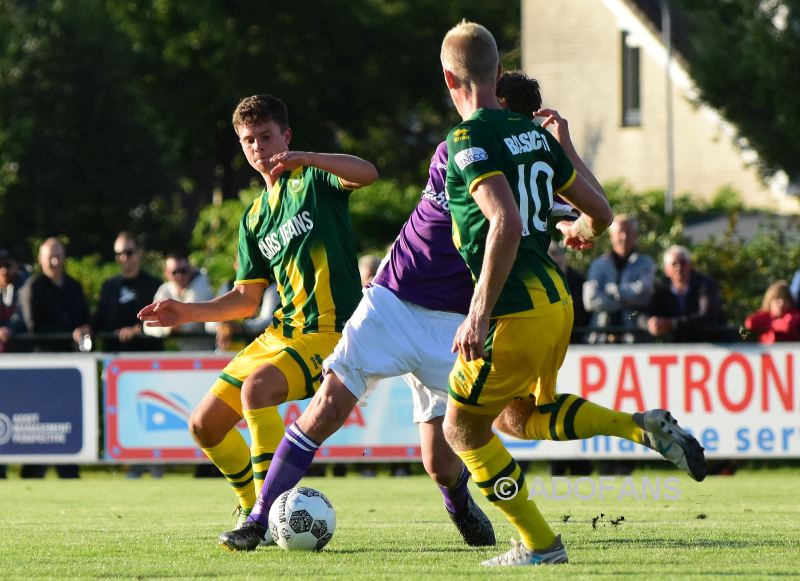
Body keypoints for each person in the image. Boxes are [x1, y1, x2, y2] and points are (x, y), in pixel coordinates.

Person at [216, 58, 704, 561]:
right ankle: (258, 518)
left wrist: (565, 181)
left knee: (461, 451)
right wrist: (565, 178)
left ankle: (464, 502)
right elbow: (571, 212)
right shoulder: (464, 149)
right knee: (327, 410)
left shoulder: (492, 153)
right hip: (395, 299)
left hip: (458, 320)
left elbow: (564, 214)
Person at [437, 23, 704, 568]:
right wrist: (580, 223)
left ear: (449, 79)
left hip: (513, 310)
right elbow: (601, 213)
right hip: (557, 304)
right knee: (518, 418)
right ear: (499, 74)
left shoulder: (465, 140)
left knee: (460, 428)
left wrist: (477, 314)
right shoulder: (532, 135)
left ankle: (539, 544)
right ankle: (639, 428)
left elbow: (505, 223)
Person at [138, 94, 378, 542]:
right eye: (248, 140)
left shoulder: (313, 180)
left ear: (285, 135)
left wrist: (308, 157)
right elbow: (247, 300)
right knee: (203, 425)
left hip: (329, 333)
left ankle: (261, 519)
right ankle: (254, 510)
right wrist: (185, 312)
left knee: (257, 389)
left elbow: (368, 173)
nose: (257, 147)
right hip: (281, 334)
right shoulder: (254, 217)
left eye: (266, 136)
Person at [17, 237, 87, 478]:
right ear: (40, 259)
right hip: (43, 370)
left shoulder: (74, 287)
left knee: (68, 423)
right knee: (44, 425)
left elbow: (85, 319)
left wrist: (84, 330)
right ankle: (32, 473)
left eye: (59, 256)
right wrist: (69, 332)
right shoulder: (32, 288)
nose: (56, 262)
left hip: (73, 369)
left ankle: (69, 472)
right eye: (50, 257)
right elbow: (33, 328)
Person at [583, 215, 655, 344]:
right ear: (612, 236)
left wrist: (611, 290)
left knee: (632, 312)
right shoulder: (598, 264)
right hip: (601, 335)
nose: (624, 237)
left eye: (628, 232)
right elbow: (590, 299)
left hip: (633, 322)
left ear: (635, 235)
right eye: (620, 232)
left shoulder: (646, 263)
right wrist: (623, 303)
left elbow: (644, 294)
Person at [94, 232, 163, 352]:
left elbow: (161, 318)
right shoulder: (109, 286)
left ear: (139, 253)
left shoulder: (155, 285)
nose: (124, 257)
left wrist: (137, 330)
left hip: (147, 358)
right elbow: (99, 320)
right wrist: (86, 328)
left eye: (129, 252)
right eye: (119, 253)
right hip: (114, 360)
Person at [642, 245, 727, 342]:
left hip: (710, 345)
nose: (679, 268)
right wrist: (649, 323)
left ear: (690, 265)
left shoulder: (706, 285)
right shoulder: (660, 289)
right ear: (666, 270)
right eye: (674, 264)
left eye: (683, 263)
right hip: (677, 348)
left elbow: (707, 316)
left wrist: (670, 324)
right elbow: (637, 314)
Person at [143, 252, 215, 351]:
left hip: (206, 353)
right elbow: (148, 326)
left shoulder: (201, 286)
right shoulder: (165, 289)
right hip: (180, 356)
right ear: (166, 273)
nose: (179, 276)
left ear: (190, 269)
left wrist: (166, 324)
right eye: (174, 272)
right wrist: (168, 328)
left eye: (183, 271)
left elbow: (189, 324)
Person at [547, 240, 589, 344]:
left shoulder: (580, 282)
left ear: (565, 257)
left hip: (577, 341)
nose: (555, 258)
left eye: (557, 253)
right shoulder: (537, 284)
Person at [0, 248, 28, 353]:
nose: (3, 270)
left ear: (15, 266)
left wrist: (9, 329)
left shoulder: (25, 286)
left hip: (20, 350)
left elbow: (22, 312)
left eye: (7, 265)